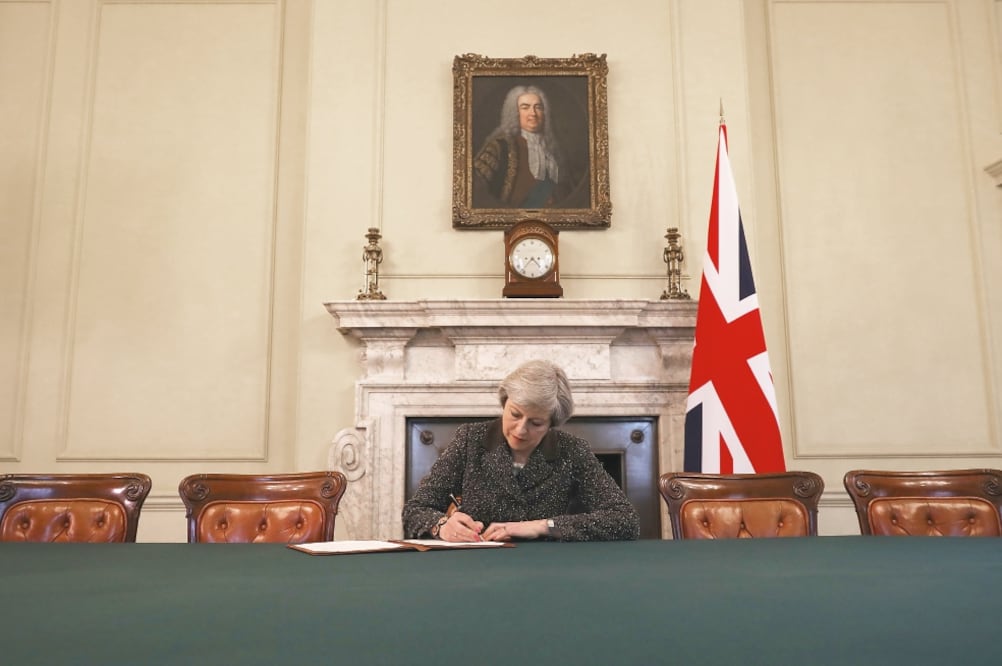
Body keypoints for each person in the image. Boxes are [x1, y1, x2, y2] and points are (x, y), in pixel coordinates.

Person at [401, 360, 640, 542]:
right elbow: (415, 510)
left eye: (536, 423)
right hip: (477, 567)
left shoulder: (572, 451)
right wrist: (441, 526)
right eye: (514, 414)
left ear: (551, 424)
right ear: (505, 403)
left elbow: (625, 520)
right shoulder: (470, 440)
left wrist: (543, 526)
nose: (520, 429)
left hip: (548, 569)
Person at [472, 85, 576, 208]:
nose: (533, 113)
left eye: (538, 107)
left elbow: (568, 194)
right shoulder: (499, 147)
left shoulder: (554, 151)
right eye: (525, 107)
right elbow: (475, 192)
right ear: (515, 113)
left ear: (545, 113)